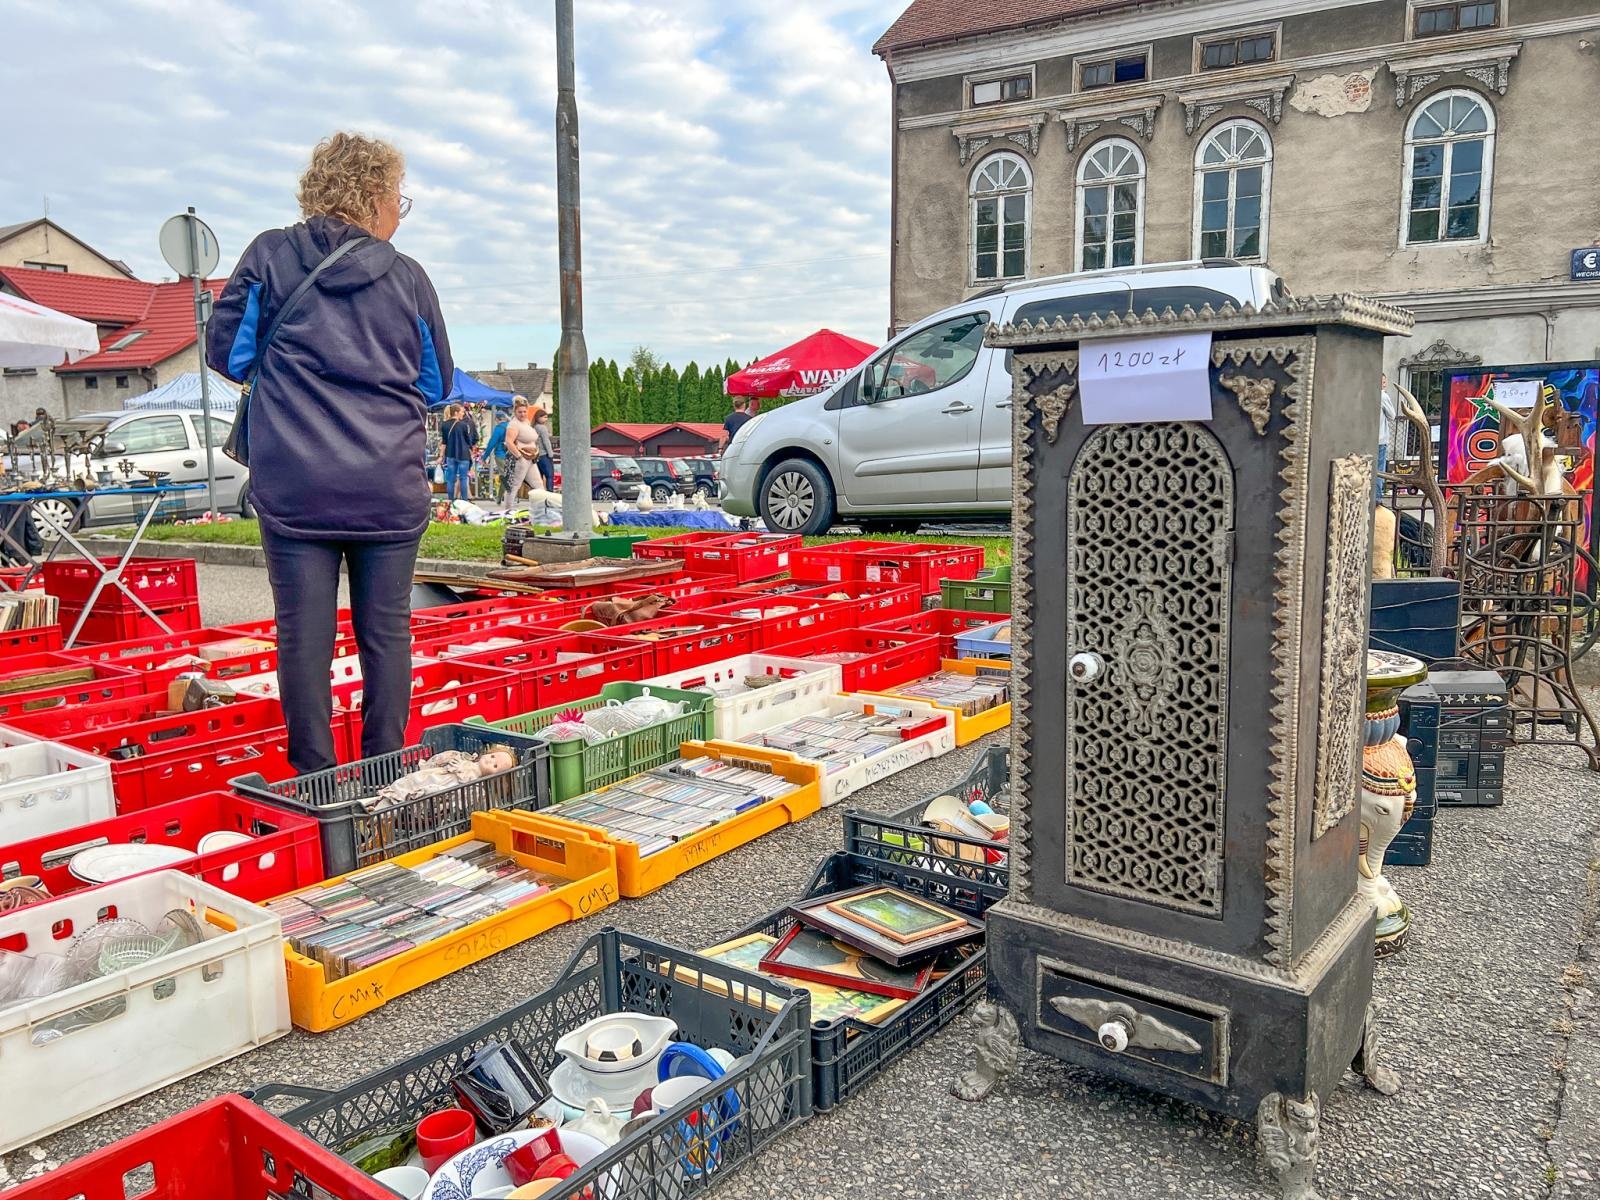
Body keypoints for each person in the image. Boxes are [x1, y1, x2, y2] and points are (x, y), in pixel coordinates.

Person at [207, 131, 452, 774]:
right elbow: (435, 384)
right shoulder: (409, 277)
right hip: (387, 482)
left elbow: (227, 355)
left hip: (297, 483)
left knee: (304, 636)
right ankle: (385, 776)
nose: (401, 210)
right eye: (399, 196)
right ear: (374, 197)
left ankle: (315, 779)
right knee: (386, 633)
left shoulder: (268, 254)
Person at [437, 402, 477, 503]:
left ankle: (451, 501)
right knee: (463, 478)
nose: (463, 414)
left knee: (451, 479)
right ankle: (464, 501)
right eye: (462, 412)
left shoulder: (444, 425)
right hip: (463, 455)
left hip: (450, 454)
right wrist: (472, 449)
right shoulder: (463, 425)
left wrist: (441, 456)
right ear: (456, 412)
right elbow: (468, 441)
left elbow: (444, 442)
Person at [503, 398, 541, 502]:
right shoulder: (514, 424)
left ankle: (541, 510)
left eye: (524, 411)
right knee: (514, 485)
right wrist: (518, 456)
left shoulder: (526, 422)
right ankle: (508, 511)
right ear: (515, 412)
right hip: (521, 458)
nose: (523, 414)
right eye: (520, 412)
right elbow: (509, 441)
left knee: (538, 484)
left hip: (530, 458)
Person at [482, 409, 510, 500]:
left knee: (503, 476)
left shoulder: (498, 429)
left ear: (497, 419)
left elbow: (492, 443)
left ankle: (509, 493)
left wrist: (484, 457)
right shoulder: (511, 426)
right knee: (508, 475)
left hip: (500, 453)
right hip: (512, 454)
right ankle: (499, 497)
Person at [532, 407, 556, 492]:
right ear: (538, 417)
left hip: (537, 455)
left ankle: (540, 493)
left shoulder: (533, 427)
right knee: (549, 475)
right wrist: (550, 454)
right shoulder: (542, 428)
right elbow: (546, 441)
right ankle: (550, 492)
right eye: (544, 417)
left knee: (539, 476)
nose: (546, 419)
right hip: (544, 454)